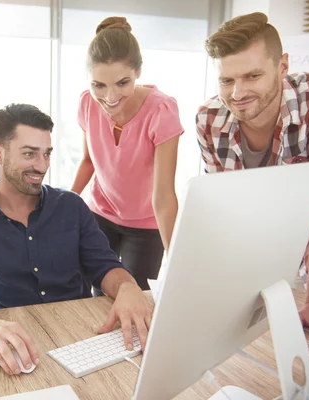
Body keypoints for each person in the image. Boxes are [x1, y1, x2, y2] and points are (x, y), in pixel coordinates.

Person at [0, 103, 153, 375]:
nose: (41, 165)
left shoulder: (71, 206)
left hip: (81, 342)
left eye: (46, 154)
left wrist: (127, 287)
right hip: (11, 349)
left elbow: (106, 266)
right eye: (29, 154)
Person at [196, 12, 309, 348]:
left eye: (252, 76)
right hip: (272, 250)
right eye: (227, 81)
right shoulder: (209, 120)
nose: (237, 93)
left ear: (283, 66)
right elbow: (226, 206)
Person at [70, 17, 183, 291]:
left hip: (145, 227)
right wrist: (66, 204)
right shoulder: (87, 103)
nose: (109, 97)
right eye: (99, 85)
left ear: (139, 71)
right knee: (95, 293)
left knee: (135, 296)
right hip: (99, 215)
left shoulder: (162, 111)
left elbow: (164, 195)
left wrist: (175, 260)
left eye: (122, 83)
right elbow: (89, 161)